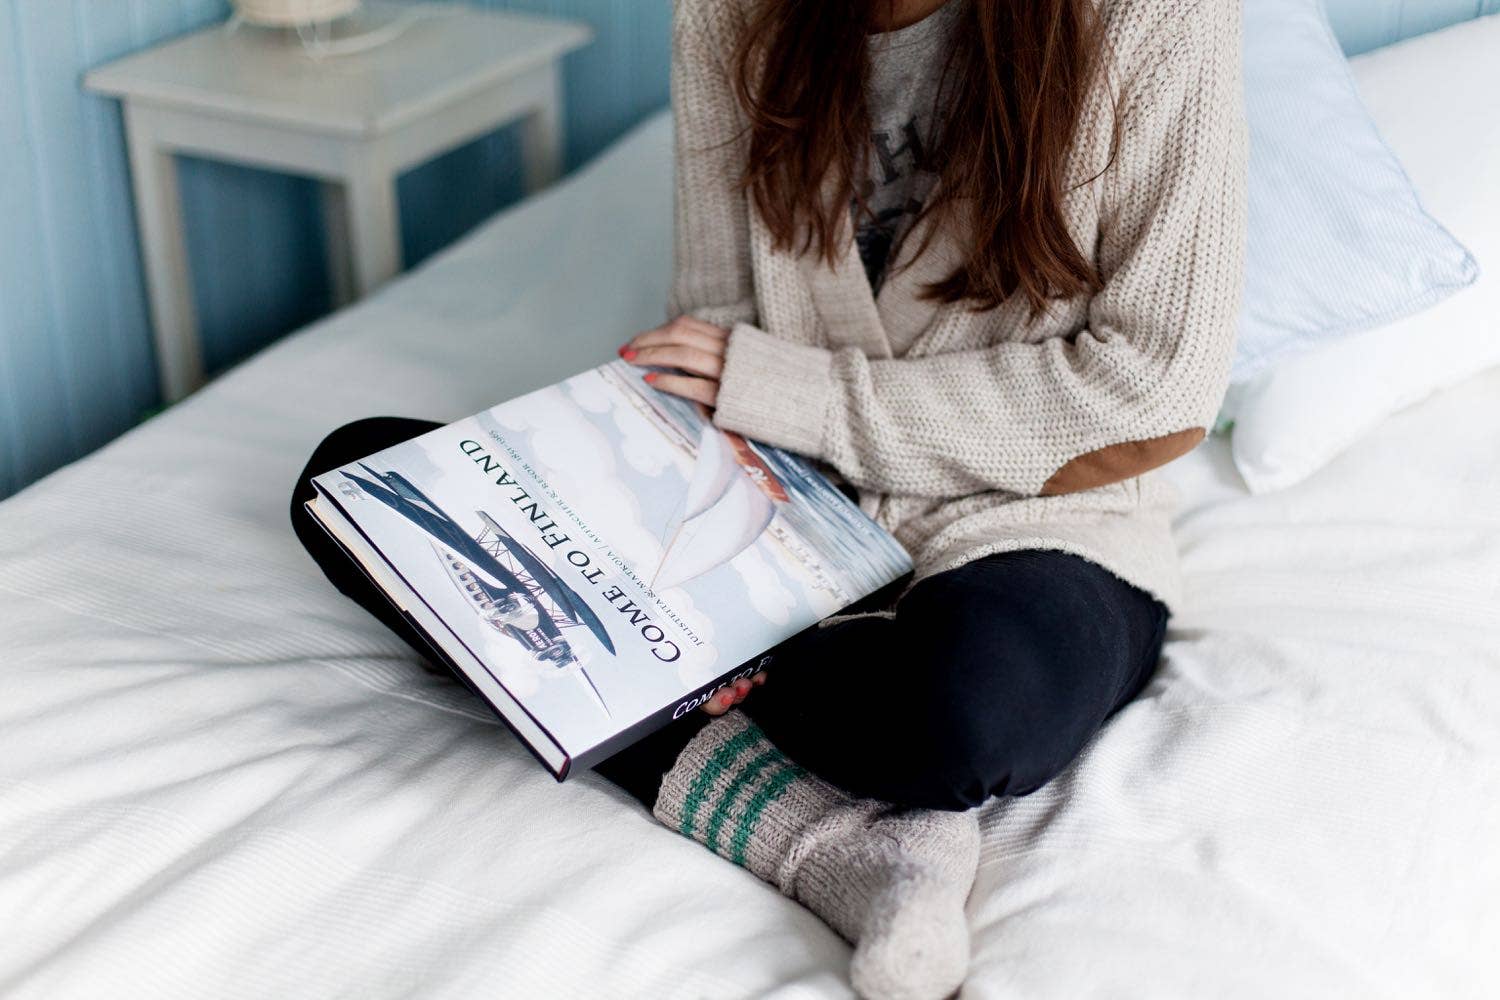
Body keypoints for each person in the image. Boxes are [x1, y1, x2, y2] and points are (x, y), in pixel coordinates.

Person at [292, 0, 1245, 995]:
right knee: (360, 494)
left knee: (960, 714)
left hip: (1026, 513)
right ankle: (840, 846)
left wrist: (818, 402)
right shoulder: (728, 10)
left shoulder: (1158, 17)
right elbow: (715, 324)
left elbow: (1158, 392)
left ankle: (692, 679)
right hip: (775, 493)